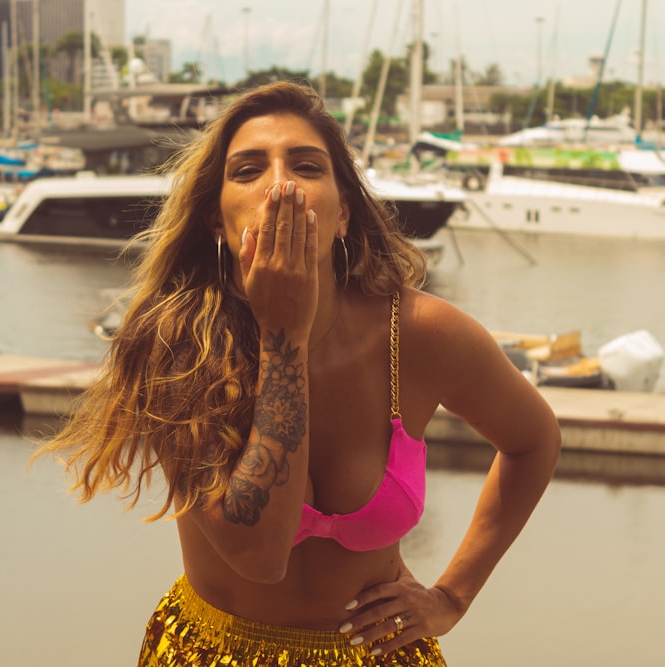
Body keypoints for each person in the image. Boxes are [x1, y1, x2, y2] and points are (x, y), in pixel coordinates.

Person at [35, 81, 561, 666]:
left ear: (343, 215)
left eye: (307, 166)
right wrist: (284, 336)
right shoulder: (177, 342)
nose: (280, 184)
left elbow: (534, 440)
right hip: (215, 653)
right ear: (216, 219)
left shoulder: (416, 333)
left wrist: (452, 595)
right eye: (248, 170)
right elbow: (260, 555)